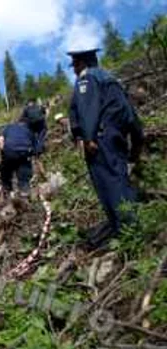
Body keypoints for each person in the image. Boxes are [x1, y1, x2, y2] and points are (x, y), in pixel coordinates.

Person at [67, 47, 144, 248]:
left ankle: (128, 234)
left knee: (109, 186)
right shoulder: (111, 79)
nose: (74, 70)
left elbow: (87, 109)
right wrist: (137, 141)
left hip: (100, 140)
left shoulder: (87, 79)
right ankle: (131, 228)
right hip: (117, 138)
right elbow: (130, 113)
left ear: (82, 63)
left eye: (75, 65)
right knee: (119, 181)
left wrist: (89, 137)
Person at [0, 116, 38, 200]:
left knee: (5, 172)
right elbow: (35, 146)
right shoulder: (29, 130)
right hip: (24, 153)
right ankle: (24, 193)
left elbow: (1, 140)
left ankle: (7, 191)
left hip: (9, 152)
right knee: (24, 173)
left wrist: (3, 154)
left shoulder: (9, 127)